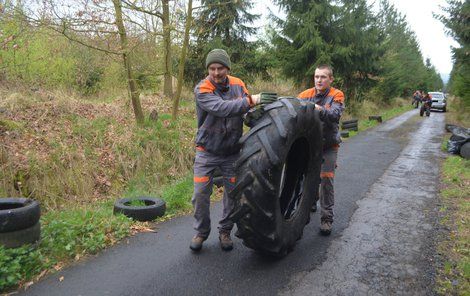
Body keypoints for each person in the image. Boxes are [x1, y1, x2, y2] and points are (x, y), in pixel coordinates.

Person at [190, 49, 267, 252]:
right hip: (206, 151)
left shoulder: (238, 84)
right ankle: (201, 232)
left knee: (233, 195)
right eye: (212, 68)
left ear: (227, 68)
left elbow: (247, 109)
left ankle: (225, 231)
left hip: (232, 152)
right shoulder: (202, 88)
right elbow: (222, 108)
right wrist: (252, 101)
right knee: (200, 195)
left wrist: (255, 113)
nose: (216, 73)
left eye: (220, 68)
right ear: (208, 69)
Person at [297, 64, 345, 235]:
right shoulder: (304, 95)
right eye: (316, 77)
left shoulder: (336, 95)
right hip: (309, 145)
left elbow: (334, 116)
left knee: (326, 180)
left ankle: (326, 219)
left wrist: (318, 109)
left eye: (323, 77)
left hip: (328, 146)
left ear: (330, 79)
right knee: (304, 177)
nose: (319, 80)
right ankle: (308, 202)